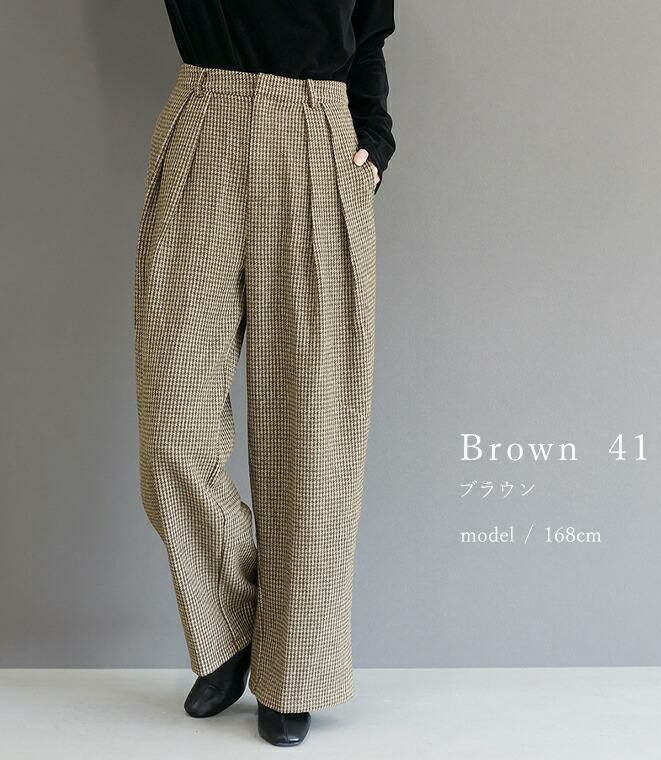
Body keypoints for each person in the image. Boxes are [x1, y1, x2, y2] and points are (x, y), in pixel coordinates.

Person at [133, 0, 395, 747]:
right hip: (203, 119)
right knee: (173, 428)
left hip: (317, 132)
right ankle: (231, 629)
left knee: (311, 431)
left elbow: (369, 33)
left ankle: (293, 669)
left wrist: (373, 135)